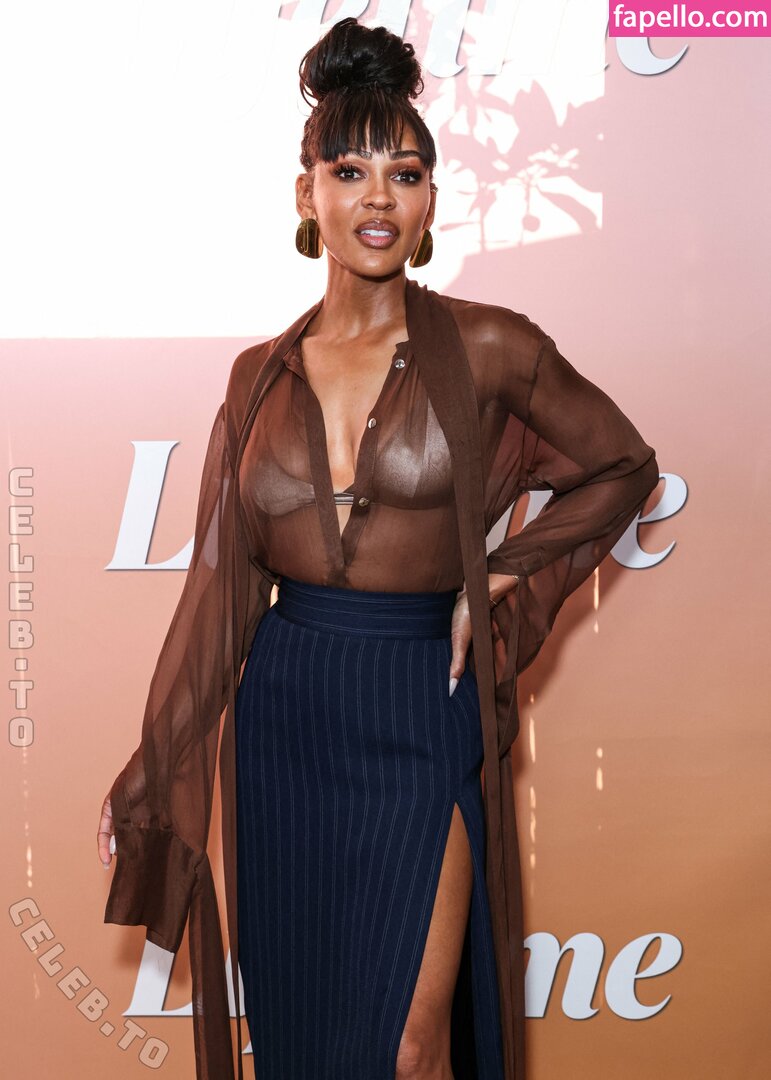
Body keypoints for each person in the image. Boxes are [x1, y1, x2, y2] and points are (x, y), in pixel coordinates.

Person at [97, 17, 659, 1080]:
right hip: (288, 714)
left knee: (411, 1048)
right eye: (349, 171)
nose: (379, 198)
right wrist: (156, 762)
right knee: (308, 1043)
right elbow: (223, 591)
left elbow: (622, 467)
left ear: (431, 201)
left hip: (418, 702)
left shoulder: (490, 345)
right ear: (305, 194)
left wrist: (500, 575)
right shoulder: (257, 375)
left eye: (405, 174)